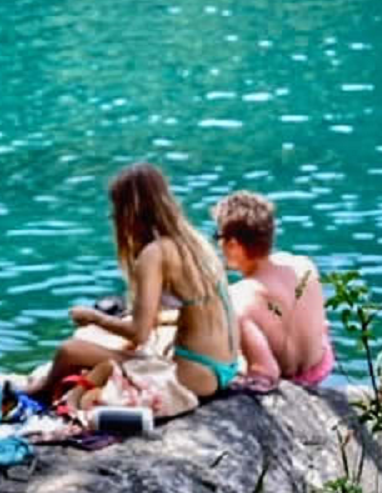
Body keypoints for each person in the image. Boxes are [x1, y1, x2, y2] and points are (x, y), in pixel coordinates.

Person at [28, 162, 239, 405]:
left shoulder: (155, 253)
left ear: (130, 211)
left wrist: (94, 317)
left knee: (69, 351)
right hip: (223, 367)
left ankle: (40, 393)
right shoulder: (194, 242)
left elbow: (140, 333)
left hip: (194, 376)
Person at [212, 191, 336, 387]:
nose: (218, 244)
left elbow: (266, 373)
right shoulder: (304, 266)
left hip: (288, 378)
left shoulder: (239, 299)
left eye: (218, 236)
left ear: (234, 245)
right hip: (319, 369)